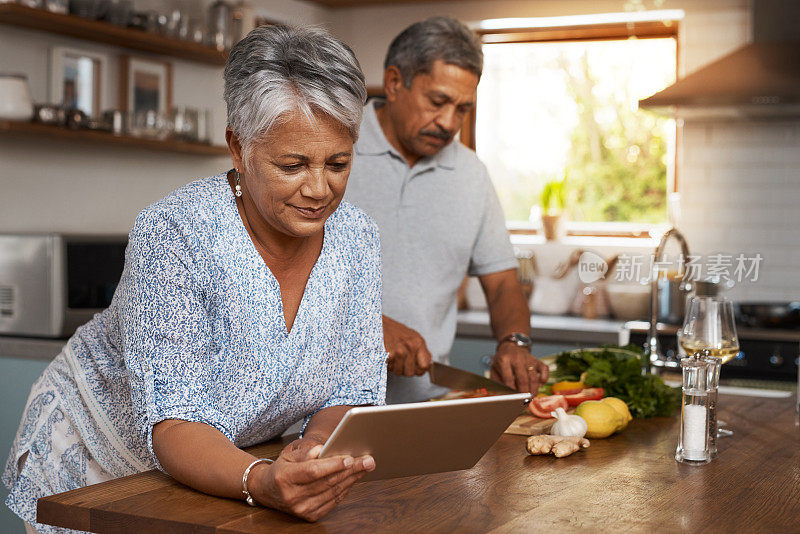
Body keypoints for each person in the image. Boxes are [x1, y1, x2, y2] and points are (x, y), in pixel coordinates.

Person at [3, 25, 386, 531]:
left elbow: (353, 391)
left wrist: (313, 456)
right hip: (102, 464)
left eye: (338, 163)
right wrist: (260, 480)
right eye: (292, 165)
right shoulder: (176, 232)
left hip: (233, 473)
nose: (319, 189)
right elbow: (175, 420)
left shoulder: (357, 237)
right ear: (237, 147)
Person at [344, 16, 549, 403]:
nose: (449, 122)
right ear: (393, 82)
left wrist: (514, 341)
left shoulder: (471, 175)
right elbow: (280, 272)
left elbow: (503, 282)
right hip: (318, 406)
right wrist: (366, 327)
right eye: (437, 102)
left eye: (462, 109)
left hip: (428, 403)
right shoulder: (335, 149)